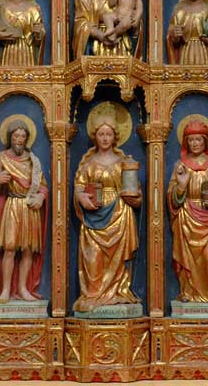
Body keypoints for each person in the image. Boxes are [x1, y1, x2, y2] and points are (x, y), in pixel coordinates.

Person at [73, 108, 141, 313]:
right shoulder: (88, 164)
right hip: (94, 214)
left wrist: (133, 197)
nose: (104, 138)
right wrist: (82, 198)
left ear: (115, 137)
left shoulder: (124, 163)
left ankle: (118, 292)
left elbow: (135, 192)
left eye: (108, 134)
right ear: (95, 136)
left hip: (120, 214)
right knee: (93, 257)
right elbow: (79, 187)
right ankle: (94, 294)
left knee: (117, 260)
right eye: (101, 134)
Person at [167, 120, 208, 303]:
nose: (194, 143)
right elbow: (171, 196)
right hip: (186, 214)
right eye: (191, 140)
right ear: (186, 142)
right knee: (187, 256)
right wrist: (181, 186)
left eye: (198, 140)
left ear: (205, 141)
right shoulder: (181, 165)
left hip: (207, 215)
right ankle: (187, 291)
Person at [0, 119, 48, 303]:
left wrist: (41, 197)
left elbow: (43, 185)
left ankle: (23, 289)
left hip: (29, 206)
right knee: (9, 249)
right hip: (13, 205)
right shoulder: (2, 157)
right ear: (10, 137)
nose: (19, 140)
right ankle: (6, 289)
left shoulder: (33, 160)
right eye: (16, 136)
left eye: (23, 136)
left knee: (27, 250)